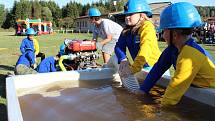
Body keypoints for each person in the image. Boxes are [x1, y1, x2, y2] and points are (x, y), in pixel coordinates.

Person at [138, 2, 215, 106]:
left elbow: (174, 90)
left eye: (163, 31)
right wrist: (142, 91)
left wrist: (159, 113)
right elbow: (157, 70)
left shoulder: (190, 55)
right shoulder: (172, 49)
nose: (162, 35)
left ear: (174, 35)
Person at [114, 0, 162, 92]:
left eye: (131, 14)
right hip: (141, 67)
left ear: (141, 15)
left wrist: (133, 69)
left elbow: (145, 49)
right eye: (126, 15)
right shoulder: (126, 31)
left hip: (155, 67)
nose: (127, 17)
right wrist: (123, 59)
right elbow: (118, 47)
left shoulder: (147, 27)